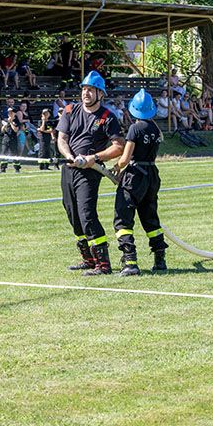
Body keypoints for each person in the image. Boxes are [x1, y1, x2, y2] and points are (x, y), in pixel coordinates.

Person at [57, 70, 124, 275]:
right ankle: (88, 259)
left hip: (90, 172)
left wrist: (93, 158)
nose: (86, 93)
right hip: (69, 170)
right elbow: (61, 139)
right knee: (73, 215)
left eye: (90, 90)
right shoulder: (70, 110)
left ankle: (103, 264)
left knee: (86, 214)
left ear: (100, 93)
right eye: (84, 89)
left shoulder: (107, 117)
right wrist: (68, 155)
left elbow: (119, 147)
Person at [111, 89, 168, 276]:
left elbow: (126, 158)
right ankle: (160, 260)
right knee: (151, 218)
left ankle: (130, 262)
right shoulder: (155, 128)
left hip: (135, 176)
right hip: (152, 174)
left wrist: (116, 167)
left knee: (123, 218)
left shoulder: (135, 129)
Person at [0, 103, 21, 173]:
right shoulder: (6, 120)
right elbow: (2, 131)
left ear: (14, 113)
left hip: (13, 139)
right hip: (6, 139)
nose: (9, 113)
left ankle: (17, 168)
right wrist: (4, 126)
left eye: (11, 112)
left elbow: (15, 130)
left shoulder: (16, 121)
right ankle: (3, 168)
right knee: (4, 153)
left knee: (14, 154)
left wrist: (11, 122)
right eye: (9, 112)